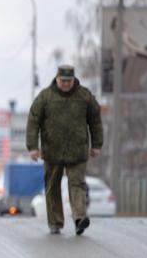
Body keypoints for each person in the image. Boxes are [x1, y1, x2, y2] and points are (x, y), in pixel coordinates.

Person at [26, 64, 103, 235]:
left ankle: (79, 218)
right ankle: (55, 222)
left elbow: (95, 120)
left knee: (77, 184)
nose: (66, 84)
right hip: (52, 151)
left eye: (69, 81)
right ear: (57, 78)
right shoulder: (45, 97)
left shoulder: (84, 96)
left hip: (77, 150)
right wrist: (32, 147)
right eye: (63, 81)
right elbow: (33, 121)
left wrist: (97, 144)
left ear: (74, 79)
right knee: (52, 187)